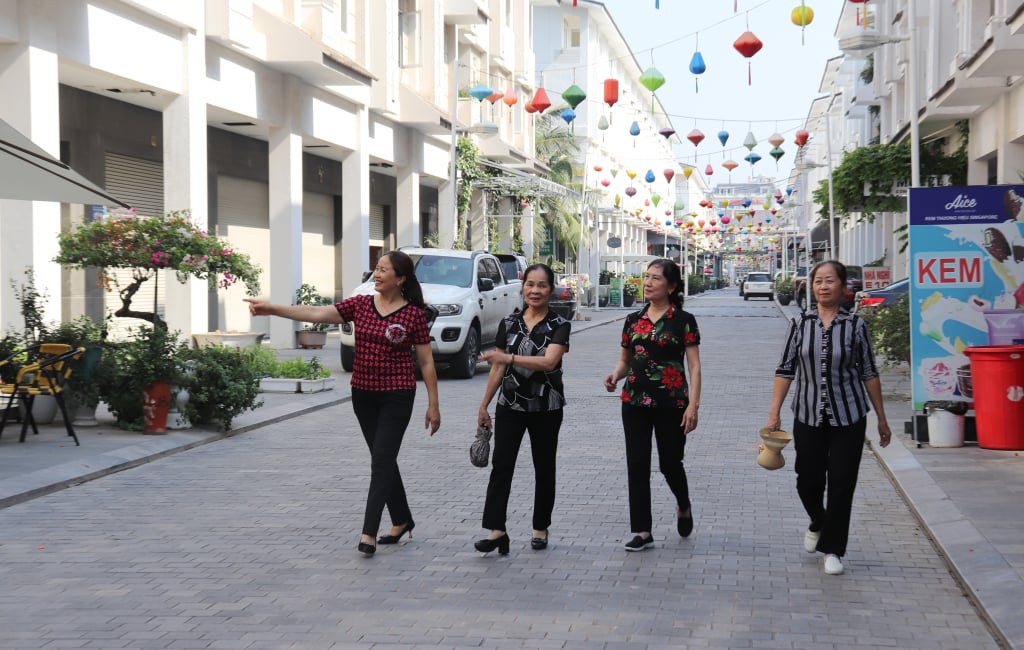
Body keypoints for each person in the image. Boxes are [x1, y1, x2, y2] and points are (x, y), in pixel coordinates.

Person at [245, 251, 440, 557]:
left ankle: (368, 532)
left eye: (383, 270)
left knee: (380, 461)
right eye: (376, 269)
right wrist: (272, 309)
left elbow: (426, 362)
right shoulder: (361, 304)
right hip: (363, 395)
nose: (376, 274)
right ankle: (401, 519)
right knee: (383, 458)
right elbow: (316, 314)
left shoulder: (413, 315)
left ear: (400, 279)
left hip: (398, 395)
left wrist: (433, 404)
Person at [764, 260, 892, 576]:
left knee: (841, 482)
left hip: (849, 416)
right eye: (818, 280)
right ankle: (818, 520)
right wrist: (774, 412)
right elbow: (785, 369)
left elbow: (869, 372)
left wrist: (882, 418)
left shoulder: (856, 326)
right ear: (812, 286)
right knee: (807, 479)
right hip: (807, 414)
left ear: (842, 286)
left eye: (829, 280)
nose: (823, 286)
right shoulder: (799, 324)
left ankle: (833, 548)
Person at [603, 259, 702, 551]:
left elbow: (694, 367)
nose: (648, 282)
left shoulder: (683, 320)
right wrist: (615, 375)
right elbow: (626, 361)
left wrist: (693, 406)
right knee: (637, 463)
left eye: (656, 278)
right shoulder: (633, 320)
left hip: (672, 403)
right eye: (646, 277)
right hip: (634, 401)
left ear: (671, 286)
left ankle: (683, 504)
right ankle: (642, 530)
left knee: (670, 463)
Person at [475, 263, 571, 555]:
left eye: (542, 285)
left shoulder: (560, 324)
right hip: (509, 405)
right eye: (530, 284)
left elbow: (548, 362)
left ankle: (540, 527)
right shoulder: (509, 323)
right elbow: (496, 369)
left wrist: (507, 358)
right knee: (501, 466)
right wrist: (484, 405)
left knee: (544, 467)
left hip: (547, 406)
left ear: (550, 289)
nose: (535, 290)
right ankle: (497, 530)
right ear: (523, 286)